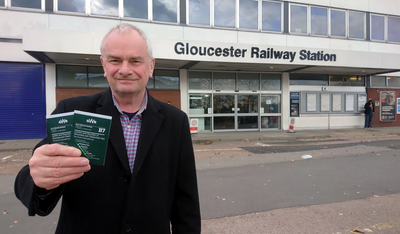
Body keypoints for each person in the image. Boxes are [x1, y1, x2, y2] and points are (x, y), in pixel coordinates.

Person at [14, 23, 201, 234]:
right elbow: (34, 179)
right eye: (115, 60)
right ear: (104, 65)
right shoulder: (73, 111)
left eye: (135, 61)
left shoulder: (176, 122)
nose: (124, 69)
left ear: (150, 66)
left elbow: (186, 205)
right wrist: (40, 180)